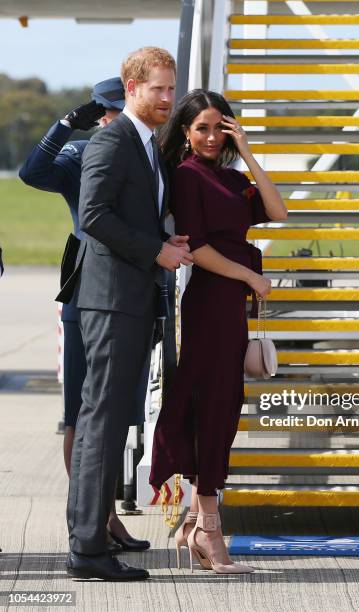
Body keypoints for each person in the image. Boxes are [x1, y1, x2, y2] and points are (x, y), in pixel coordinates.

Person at [64, 47, 193, 582]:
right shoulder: (112, 140)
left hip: (130, 298)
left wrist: (164, 240)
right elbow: (92, 215)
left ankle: (90, 540)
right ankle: (88, 549)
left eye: (171, 89)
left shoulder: (145, 144)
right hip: (112, 300)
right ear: (131, 85)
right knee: (102, 423)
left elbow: (129, 214)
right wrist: (154, 250)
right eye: (157, 89)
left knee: (110, 424)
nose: (167, 98)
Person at [149, 89, 288, 574]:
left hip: (233, 305)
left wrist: (246, 151)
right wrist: (250, 276)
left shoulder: (232, 177)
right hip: (211, 299)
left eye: (218, 127)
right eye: (201, 128)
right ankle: (208, 528)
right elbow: (198, 248)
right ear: (185, 134)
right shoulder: (187, 178)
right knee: (211, 406)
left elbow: (277, 211)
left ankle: (196, 522)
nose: (210, 137)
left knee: (225, 405)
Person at [18, 78, 150, 555]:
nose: (119, 120)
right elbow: (32, 173)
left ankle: (105, 514)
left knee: (121, 411)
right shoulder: (81, 154)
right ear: (100, 115)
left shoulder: (149, 153)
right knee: (81, 409)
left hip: (136, 286)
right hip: (87, 285)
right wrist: (66, 123)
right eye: (110, 112)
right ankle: (98, 518)